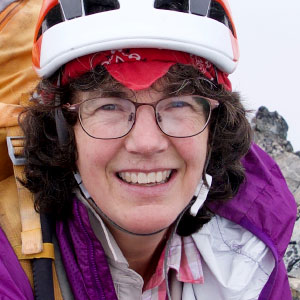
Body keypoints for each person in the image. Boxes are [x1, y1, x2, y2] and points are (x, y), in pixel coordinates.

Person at [0, 0, 296, 299]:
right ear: (63, 130)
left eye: (179, 103)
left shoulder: (251, 254)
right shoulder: (7, 258)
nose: (146, 143)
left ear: (215, 130)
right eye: (109, 106)